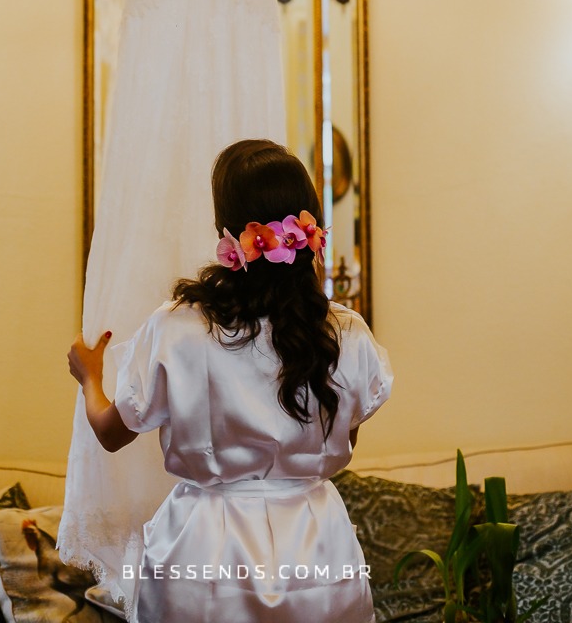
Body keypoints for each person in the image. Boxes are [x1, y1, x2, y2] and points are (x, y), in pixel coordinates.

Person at [67, 138, 393, 623]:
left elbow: (112, 434)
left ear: (228, 230)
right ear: (307, 227)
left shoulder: (178, 328)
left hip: (205, 546)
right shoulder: (346, 334)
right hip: (317, 544)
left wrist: (89, 377)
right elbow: (345, 437)